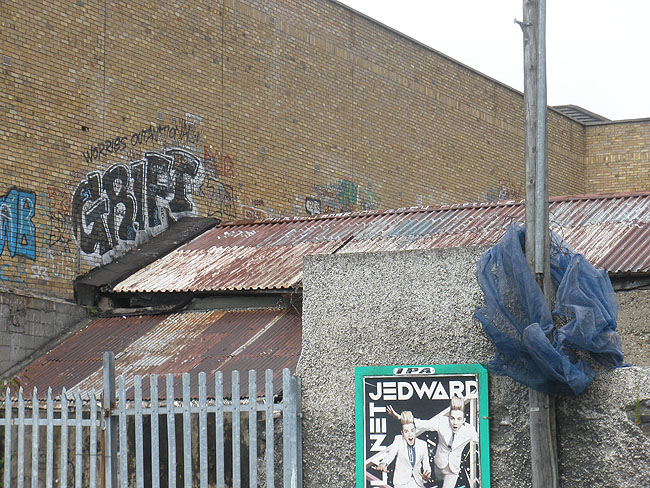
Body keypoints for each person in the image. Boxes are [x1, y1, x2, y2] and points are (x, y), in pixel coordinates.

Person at [388, 396, 479, 488]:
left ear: (464, 420)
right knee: (435, 484)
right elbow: (424, 424)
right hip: (439, 464)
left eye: (459, 419)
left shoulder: (469, 431)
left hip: (453, 470)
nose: (455, 422)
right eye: (452, 418)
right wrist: (401, 418)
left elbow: (481, 441)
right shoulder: (442, 422)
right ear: (448, 418)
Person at [368, 410, 432, 488]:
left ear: (415, 430)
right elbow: (391, 454)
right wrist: (383, 464)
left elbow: (426, 465)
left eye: (412, 431)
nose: (410, 434)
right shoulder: (398, 440)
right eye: (406, 431)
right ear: (402, 433)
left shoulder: (422, 444)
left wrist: (427, 475)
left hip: (417, 484)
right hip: (401, 483)